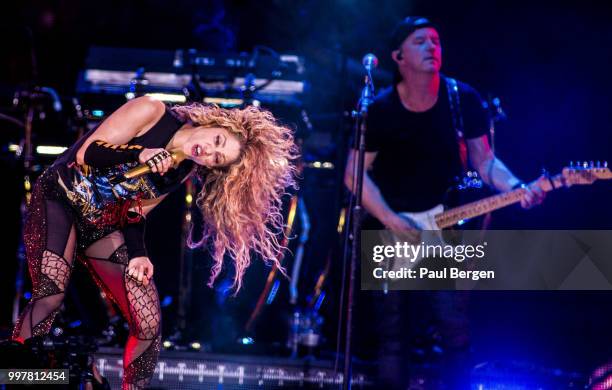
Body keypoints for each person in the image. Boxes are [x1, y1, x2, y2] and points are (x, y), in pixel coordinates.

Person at [11, 96, 298, 389]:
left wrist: (138, 254)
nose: (210, 151)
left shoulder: (181, 168)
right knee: (51, 294)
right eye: (217, 141)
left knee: (147, 323)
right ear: (215, 123)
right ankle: (11, 375)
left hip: (101, 222)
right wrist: (139, 154)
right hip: (60, 197)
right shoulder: (152, 111)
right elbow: (88, 153)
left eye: (217, 158)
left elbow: (134, 210)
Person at [344, 17, 545, 389]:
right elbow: (354, 174)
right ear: (398, 56)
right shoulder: (381, 110)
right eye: (419, 41)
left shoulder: (462, 99)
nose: (431, 48)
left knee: (454, 330)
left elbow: (484, 162)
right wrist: (390, 218)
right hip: (393, 232)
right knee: (392, 337)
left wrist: (518, 186)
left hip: (447, 227)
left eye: (435, 41)